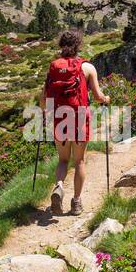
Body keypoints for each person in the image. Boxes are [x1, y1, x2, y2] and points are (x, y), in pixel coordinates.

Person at [41, 29, 110, 216]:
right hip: (79, 119)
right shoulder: (87, 68)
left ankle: (59, 185)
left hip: (59, 118)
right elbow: (97, 97)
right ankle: (76, 202)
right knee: (79, 161)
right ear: (78, 45)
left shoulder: (54, 68)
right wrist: (106, 99)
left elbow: (43, 100)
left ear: (61, 45)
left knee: (63, 160)